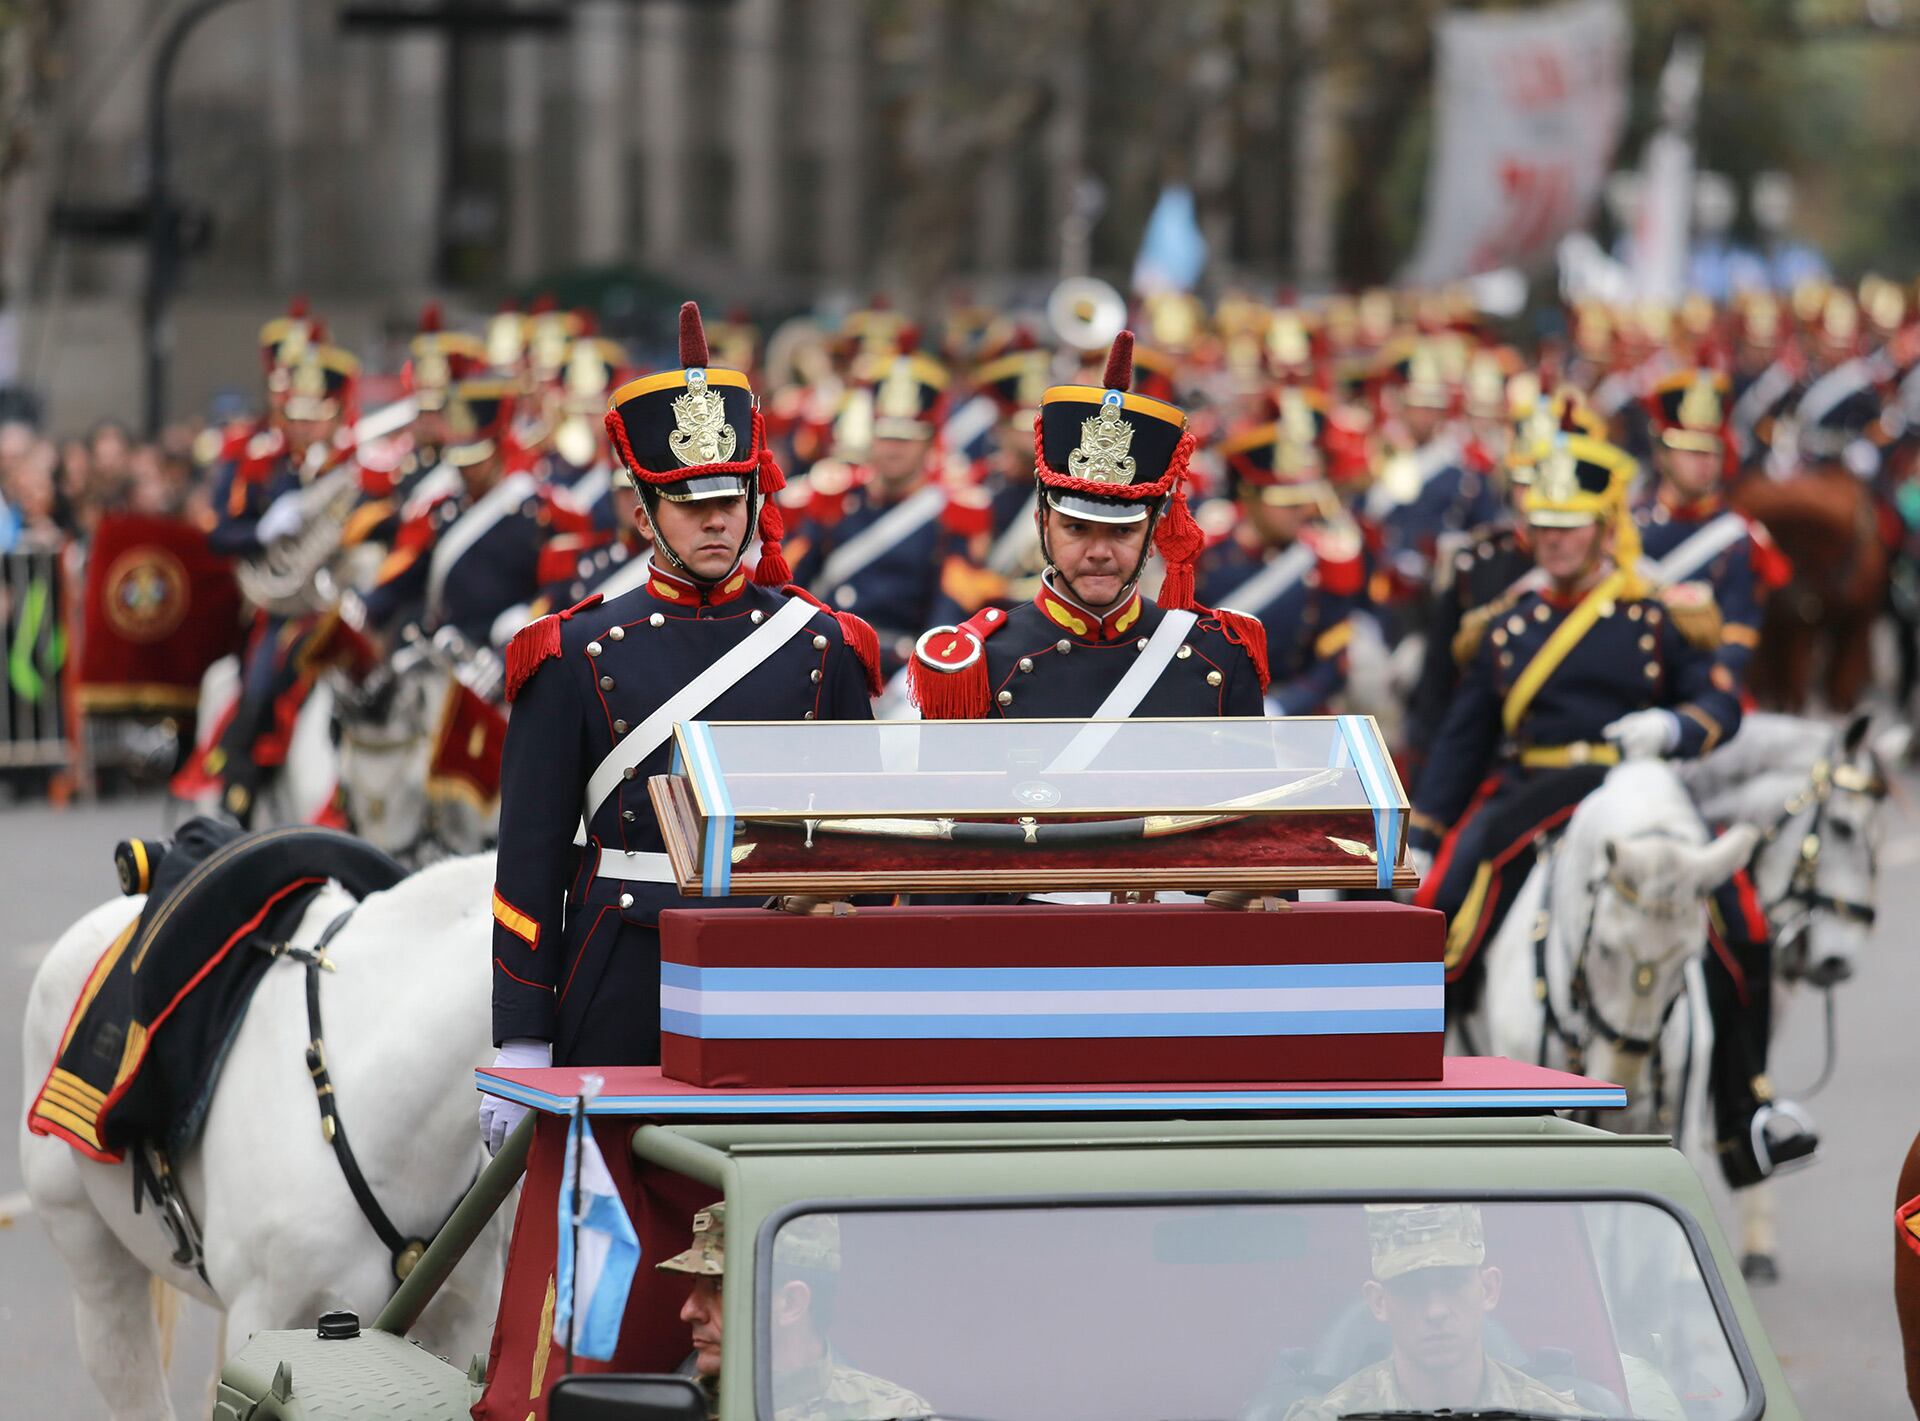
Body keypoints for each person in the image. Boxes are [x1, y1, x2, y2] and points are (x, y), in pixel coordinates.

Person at [478, 303, 880, 1152]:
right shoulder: (571, 651)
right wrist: (523, 1034)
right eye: (690, 503)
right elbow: (529, 863)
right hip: (623, 972)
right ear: (644, 512)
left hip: (781, 970)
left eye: (731, 500)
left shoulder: (822, 644)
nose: (717, 520)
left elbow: (864, 853)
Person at [1407, 433, 1742, 1000]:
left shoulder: (1657, 614)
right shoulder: (1505, 626)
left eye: (1570, 525)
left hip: (1635, 787)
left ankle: (1742, 1059)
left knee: (1741, 921)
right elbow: (1463, 741)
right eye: (1543, 525)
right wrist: (1425, 833)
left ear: (1606, 530)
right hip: (1529, 793)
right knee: (1440, 910)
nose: (1554, 539)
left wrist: (1671, 728)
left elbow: (1720, 705)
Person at [1636, 368, 1815, 1184]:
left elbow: (1731, 661)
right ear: (1660, 451)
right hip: (1593, 736)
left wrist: (1682, 722)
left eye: (1711, 450)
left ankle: (1749, 1114)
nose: (1701, 463)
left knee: (1742, 921)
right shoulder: (1618, 529)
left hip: (1696, 742)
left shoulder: (1736, 543)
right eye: (1686, 449)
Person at [907, 330, 1268, 719]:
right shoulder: (976, 664)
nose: (1099, 552)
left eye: (1123, 530)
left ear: (1152, 535)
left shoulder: (1218, 656)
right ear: (1042, 524)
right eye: (1077, 529)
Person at [200, 335, 360, 824]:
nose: (303, 427)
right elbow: (220, 535)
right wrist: (262, 529)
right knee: (263, 679)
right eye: (296, 416)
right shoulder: (268, 468)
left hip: (344, 603)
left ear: (336, 415)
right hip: (286, 607)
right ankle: (241, 782)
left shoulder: (356, 467)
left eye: (315, 416)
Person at [786, 338, 985, 676]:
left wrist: (927, 672)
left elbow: (949, 608)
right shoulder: (837, 498)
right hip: (827, 658)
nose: (893, 449)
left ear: (929, 441)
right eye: (885, 435)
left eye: (906, 438)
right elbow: (792, 582)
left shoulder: (949, 514)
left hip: (899, 670)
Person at [1281, 1204, 1583, 1418]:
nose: (1435, 1310)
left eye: (1453, 1282)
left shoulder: (1550, 1416)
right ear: (1378, 1302)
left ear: (1488, 1289)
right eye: (1412, 1288)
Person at [660, 1204, 934, 1421]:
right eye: (695, 1285)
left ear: (791, 1303)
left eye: (719, 1286)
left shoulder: (894, 1414)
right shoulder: (672, 1411)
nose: (689, 1311)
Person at [1200, 387, 1365, 716]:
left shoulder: (1323, 560)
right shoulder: (1208, 553)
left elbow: (1332, 661)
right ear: (1250, 496)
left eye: (1303, 501)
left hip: (1289, 715)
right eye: (1286, 503)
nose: (1302, 512)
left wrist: (1281, 706)